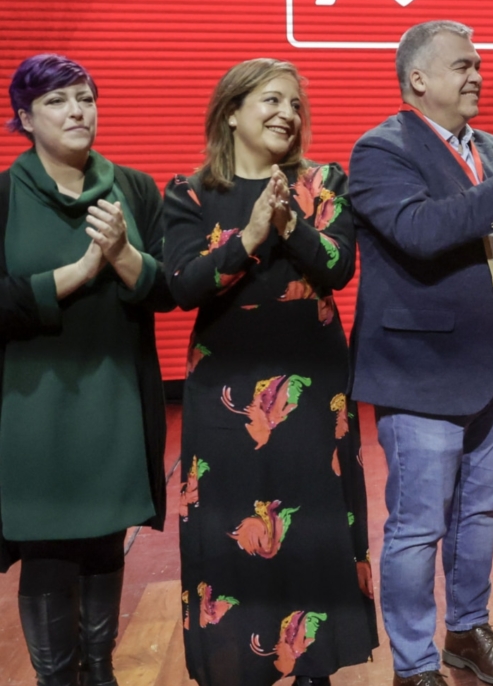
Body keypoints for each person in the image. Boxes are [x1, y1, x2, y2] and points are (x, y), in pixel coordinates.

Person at [348, 20, 493, 686]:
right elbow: (420, 231)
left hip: (492, 365)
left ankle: (466, 632)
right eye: (461, 66)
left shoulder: (492, 146)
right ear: (418, 79)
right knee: (418, 526)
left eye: (478, 65)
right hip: (421, 374)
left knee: (478, 511)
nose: (476, 75)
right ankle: (414, 666)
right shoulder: (381, 150)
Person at [163, 58, 377, 686]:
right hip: (225, 399)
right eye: (271, 101)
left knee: (312, 527)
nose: (288, 114)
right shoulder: (191, 193)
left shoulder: (325, 181)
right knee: (230, 529)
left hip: (313, 396)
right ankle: (240, 669)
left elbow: (338, 266)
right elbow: (182, 285)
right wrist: (250, 234)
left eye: (295, 104)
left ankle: (314, 668)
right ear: (231, 111)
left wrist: (290, 227)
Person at [0, 53, 172, 686]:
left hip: (114, 398)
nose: (78, 111)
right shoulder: (3, 195)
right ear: (24, 117)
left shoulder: (136, 188)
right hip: (29, 409)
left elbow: (166, 292)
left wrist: (124, 255)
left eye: (86, 98)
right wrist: (73, 276)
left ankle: (100, 674)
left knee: (104, 541)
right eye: (57, 101)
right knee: (45, 552)